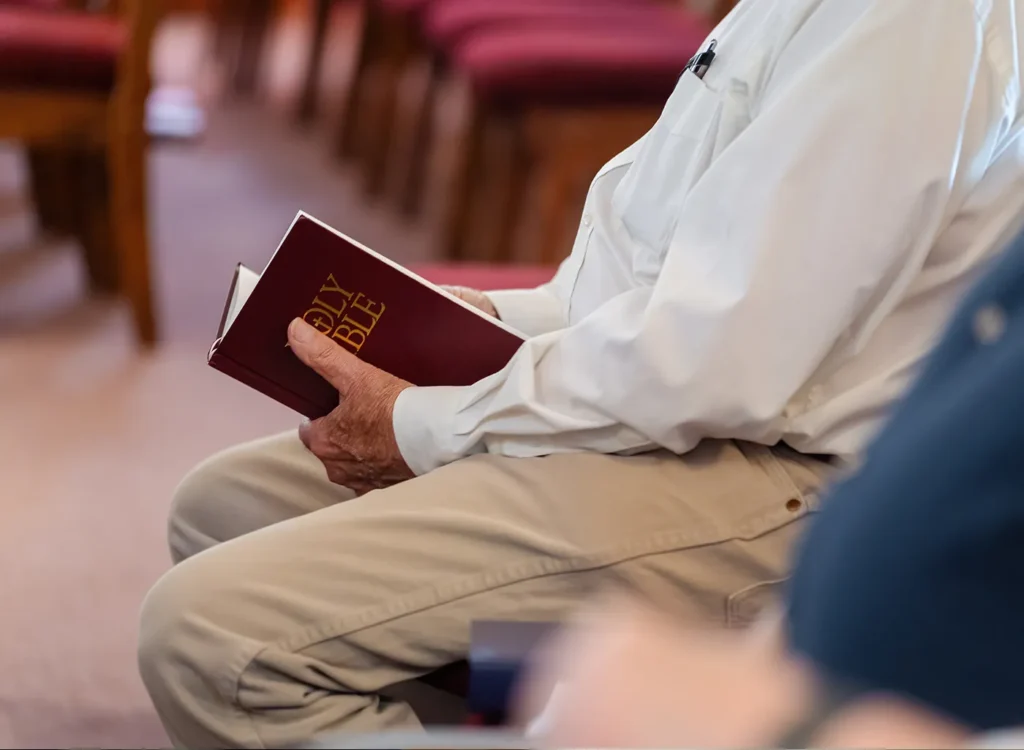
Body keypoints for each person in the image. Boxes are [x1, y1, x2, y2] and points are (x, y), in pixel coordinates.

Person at [138, 0, 1024, 746]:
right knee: (222, 510)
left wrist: (425, 424)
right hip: (693, 414)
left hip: (776, 480)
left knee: (215, 639)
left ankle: (603, 701)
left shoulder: (911, 20)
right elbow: (652, 271)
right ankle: (543, 705)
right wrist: (488, 322)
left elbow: (711, 363)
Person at [517, 217, 1024, 748]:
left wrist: (772, 726)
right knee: (517, 663)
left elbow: (702, 367)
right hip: (801, 658)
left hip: (736, 464)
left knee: (480, 630)